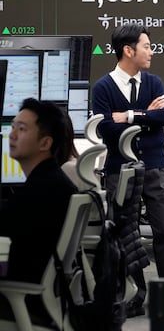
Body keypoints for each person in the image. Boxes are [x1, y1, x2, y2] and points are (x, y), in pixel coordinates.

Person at [91, 24, 164, 318]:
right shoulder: (103, 87)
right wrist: (147, 117)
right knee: (123, 236)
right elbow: (107, 129)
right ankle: (131, 297)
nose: (151, 52)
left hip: (156, 169)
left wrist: (131, 115)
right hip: (118, 171)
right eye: (146, 46)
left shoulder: (154, 81)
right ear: (128, 50)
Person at [0, 98, 77, 325]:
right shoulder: (52, 182)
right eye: (12, 127)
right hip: (47, 299)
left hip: (24, 300)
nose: (12, 135)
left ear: (45, 143)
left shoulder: (41, 191)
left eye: (21, 129)